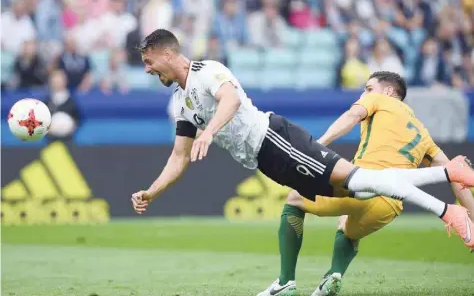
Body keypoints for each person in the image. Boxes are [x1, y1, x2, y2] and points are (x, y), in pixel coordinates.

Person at [130, 29, 474, 253]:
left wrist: (209, 131)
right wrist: (152, 190)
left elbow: (230, 99)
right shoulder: (181, 102)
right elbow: (179, 156)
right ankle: (451, 176)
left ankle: (447, 202)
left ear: (167, 54)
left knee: (356, 182)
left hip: (274, 139)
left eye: (149, 61)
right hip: (265, 157)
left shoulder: (208, 71)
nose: (147, 69)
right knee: (362, 188)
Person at [257, 72, 474, 296]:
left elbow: (351, 116)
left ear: (389, 91)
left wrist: (317, 146)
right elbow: (457, 177)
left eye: (369, 88)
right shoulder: (423, 133)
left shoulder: (379, 100)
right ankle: (334, 275)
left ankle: (285, 282)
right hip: (389, 207)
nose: (364, 94)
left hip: (365, 185)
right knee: (347, 229)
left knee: (295, 199)